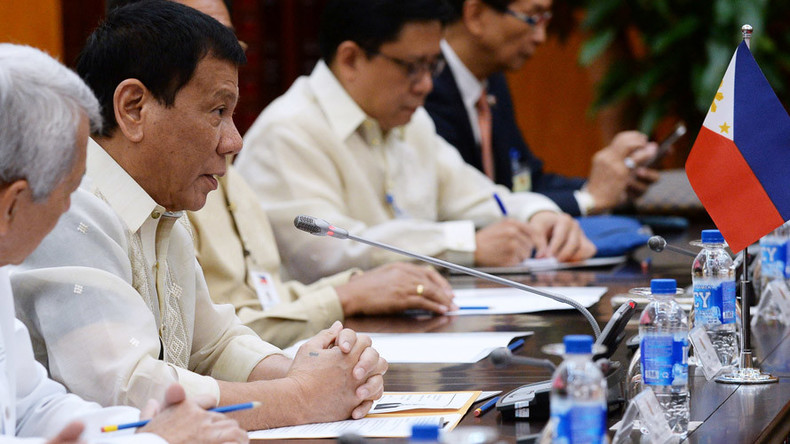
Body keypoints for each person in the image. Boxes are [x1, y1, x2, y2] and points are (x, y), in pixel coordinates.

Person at [10, 1, 386, 432]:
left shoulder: (161, 205)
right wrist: (302, 397)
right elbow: (126, 387)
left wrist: (323, 374)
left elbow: (216, 344)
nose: (234, 141)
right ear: (134, 108)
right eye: (218, 112)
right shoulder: (71, 206)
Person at [103, 0, 456, 350]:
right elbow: (189, 355)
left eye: (229, 45)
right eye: (201, 45)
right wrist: (342, 300)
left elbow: (242, 318)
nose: (234, 142)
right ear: (135, 107)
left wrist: (354, 289)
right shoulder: (125, 205)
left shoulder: (216, 177)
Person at [235, 0, 597, 284]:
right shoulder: (288, 131)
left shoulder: (411, 122)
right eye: (412, 67)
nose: (426, 85)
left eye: (432, 66)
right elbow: (329, 253)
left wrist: (539, 215)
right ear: (351, 59)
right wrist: (466, 246)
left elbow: (479, 197)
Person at [0, 43, 248, 444]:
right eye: (68, 189)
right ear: (11, 204)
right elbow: (121, 383)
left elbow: (32, 407)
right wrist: (153, 440)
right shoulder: (83, 216)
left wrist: (141, 431)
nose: (71, 205)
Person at [424, 0, 660, 216]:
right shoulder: (422, 91)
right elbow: (464, 209)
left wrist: (608, 186)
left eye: (545, 19)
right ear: (475, 15)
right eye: (532, 17)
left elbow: (524, 183)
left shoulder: (491, 80)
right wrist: (588, 199)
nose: (540, 37)